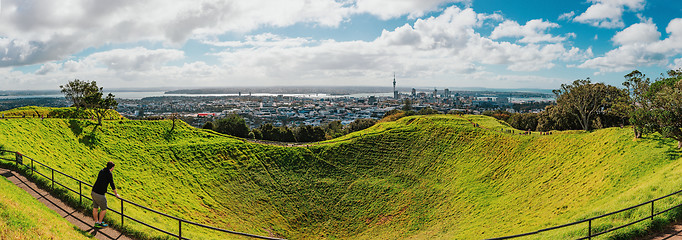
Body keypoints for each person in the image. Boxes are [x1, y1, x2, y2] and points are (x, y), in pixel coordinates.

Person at [91, 161, 120, 228]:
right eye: (113, 168)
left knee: (95, 208)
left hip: (93, 191)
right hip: (100, 194)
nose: (113, 169)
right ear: (111, 168)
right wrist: (116, 194)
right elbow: (112, 184)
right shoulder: (109, 173)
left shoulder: (102, 170)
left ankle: (96, 222)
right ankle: (100, 223)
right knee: (104, 209)